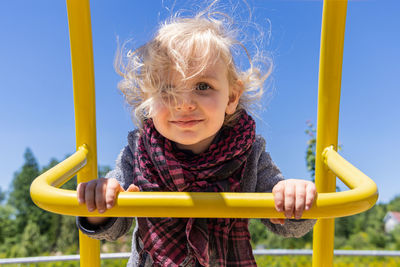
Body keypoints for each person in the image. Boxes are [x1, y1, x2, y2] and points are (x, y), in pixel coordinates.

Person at [76, 7, 316, 267]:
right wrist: (102, 201)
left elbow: (286, 224)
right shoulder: (138, 151)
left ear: (232, 97)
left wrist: (292, 197)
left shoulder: (248, 152)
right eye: (167, 89)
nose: (184, 103)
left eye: (203, 86)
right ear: (148, 100)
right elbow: (113, 228)